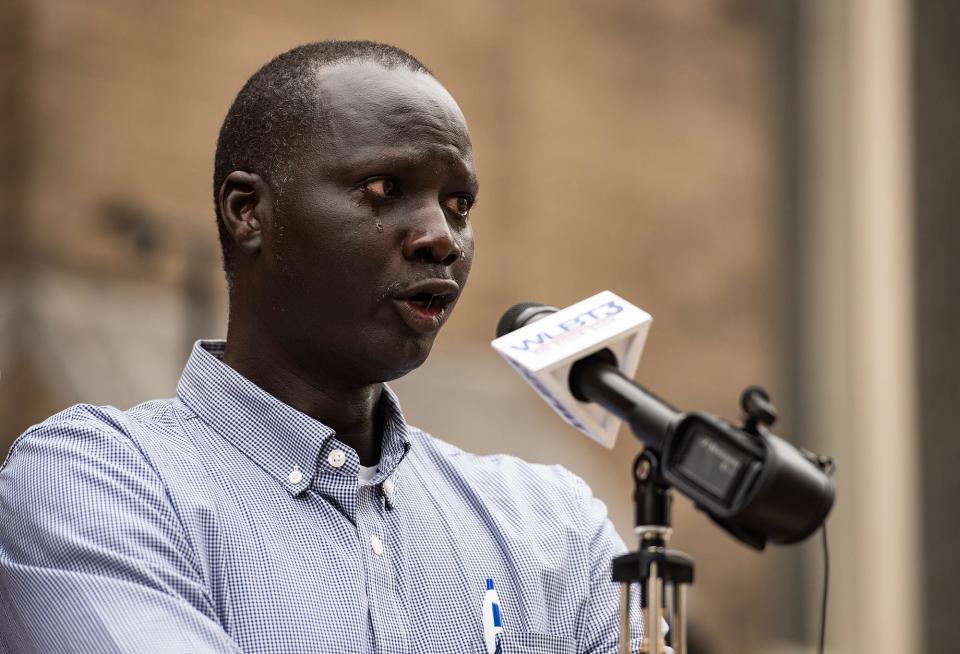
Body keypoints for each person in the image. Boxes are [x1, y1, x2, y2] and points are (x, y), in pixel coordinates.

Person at [0, 41, 639, 653]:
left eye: (459, 204)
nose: (441, 238)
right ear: (248, 212)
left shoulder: (552, 527)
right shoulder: (97, 482)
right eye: (384, 189)